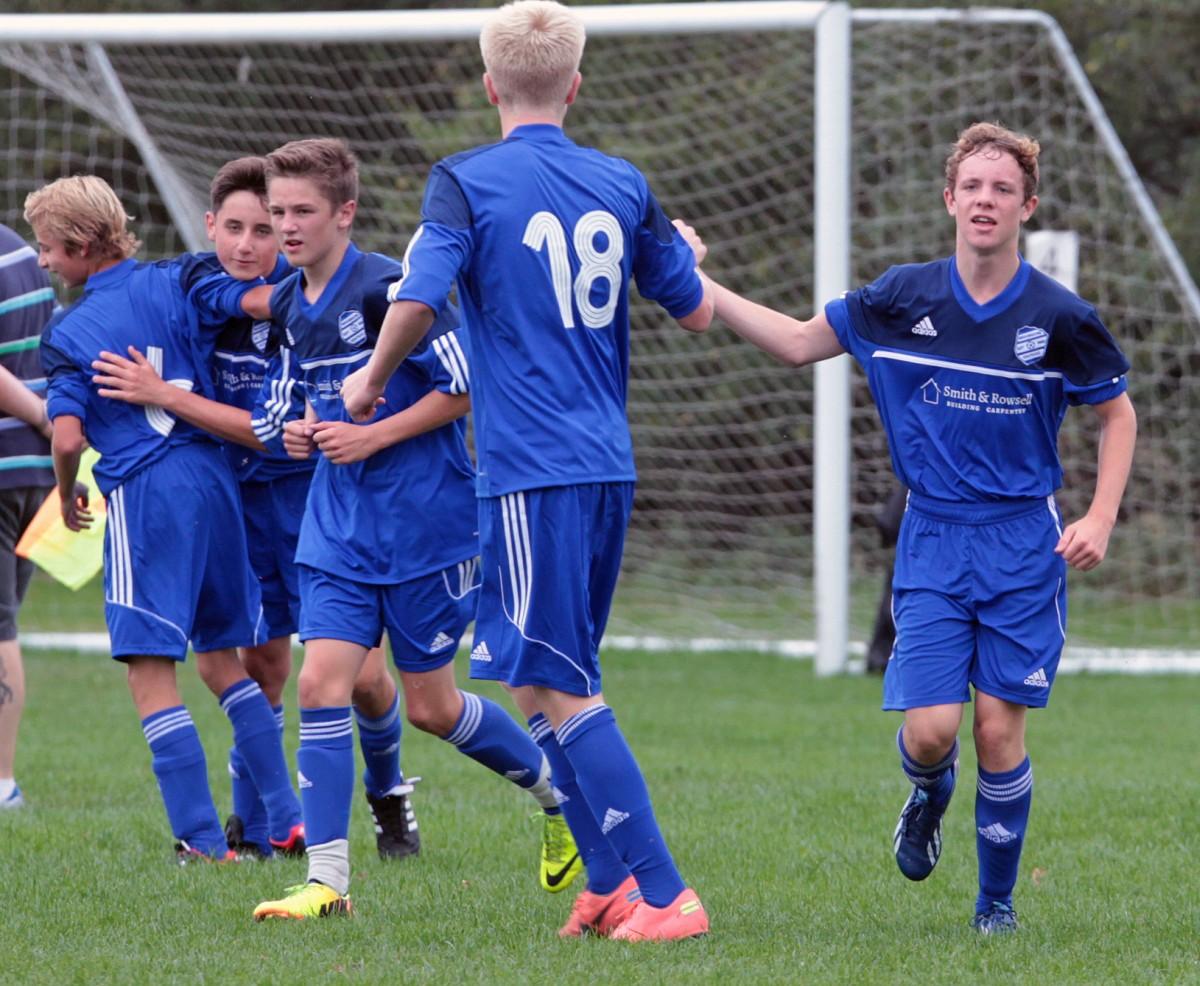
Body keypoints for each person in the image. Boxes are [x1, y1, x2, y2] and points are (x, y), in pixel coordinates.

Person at [684, 122, 1137, 934]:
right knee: (931, 734)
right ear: (949, 200)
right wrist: (697, 284)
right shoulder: (904, 297)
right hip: (932, 535)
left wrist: (1101, 515)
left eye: (1003, 189)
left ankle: (994, 908)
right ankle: (928, 795)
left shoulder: (1061, 317)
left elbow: (1117, 414)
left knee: (1000, 729)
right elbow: (793, 342)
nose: (986, 201)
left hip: (1023, 545)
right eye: (973, 187)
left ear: (1027, 205)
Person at [342, 0, 715, 942]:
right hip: (603, 465)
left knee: (560, 682)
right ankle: (602, 878)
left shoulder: (464, 180)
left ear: (488, 83)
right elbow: (694, 306)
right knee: (537, 674)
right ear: (576, 84)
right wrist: (687, 256)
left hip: (531, 468)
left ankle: (667, 895)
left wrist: (369, 380)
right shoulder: (621, 180)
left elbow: (420, 295)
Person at [248, 138, 571, 921]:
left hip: (425, 526)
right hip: (337, 528)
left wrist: (374, 435)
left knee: (430, 706)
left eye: (302, 212)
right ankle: (328, 882)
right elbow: (304, 403)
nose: (286, 227)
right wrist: (301, 429)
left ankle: (561, 798)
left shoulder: (390, 290)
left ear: (345, 213)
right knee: (323, 682)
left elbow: (467, 389)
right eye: (277, 211)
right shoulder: (290, 299)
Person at [90, 156, 416, 862]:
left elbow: (266, 427)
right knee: (262, 665)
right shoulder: (196, 294)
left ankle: (388, 795)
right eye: (234, 228)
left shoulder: (306, 305)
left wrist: (168, 394)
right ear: (210, 227)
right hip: (236, 503)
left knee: (361, 676)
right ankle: (263, 826)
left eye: (264, 230)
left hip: (317, 497)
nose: (248, 245)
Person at [29, 175, 302, 862]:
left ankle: (201, 843)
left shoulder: (69, 332)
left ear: (82, 245)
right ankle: (287, 819)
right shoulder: (180, 278)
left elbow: (65, 438)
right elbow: (258, 300)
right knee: (220, 658)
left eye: (48, 249)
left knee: (149, 670)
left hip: (148, 492)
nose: (44, 262)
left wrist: (66, 493)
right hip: (216, 480)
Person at [0, 224, 56, 810]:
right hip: (35, 473)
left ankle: (2, 784)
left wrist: (42, 414)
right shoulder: (18, 248)